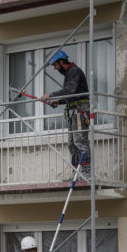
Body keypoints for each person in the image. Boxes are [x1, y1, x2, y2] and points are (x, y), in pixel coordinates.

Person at [39, 50, 91, 180]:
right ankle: (76, 173)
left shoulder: (73, 71)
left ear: (61, 61)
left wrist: (50, 95)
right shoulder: (69, 73)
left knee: (80, 141)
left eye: (56, 65)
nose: (56, 69)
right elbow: (71, 95)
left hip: (80, 110)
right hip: (74, 110)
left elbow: (70, 90)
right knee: (72, 144)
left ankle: (87, 172)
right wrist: (59, 101)